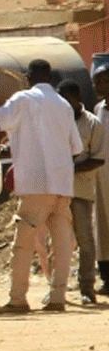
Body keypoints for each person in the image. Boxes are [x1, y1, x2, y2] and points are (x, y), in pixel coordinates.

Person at [0, 61, 82, 313]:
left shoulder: (22, 99)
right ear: (49, 76)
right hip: (62, 183)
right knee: (61, 243)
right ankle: (58, 297)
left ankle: (18, 298)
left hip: (35, 183)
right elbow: (76, 148)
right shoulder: (63, 105)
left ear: (28, 77)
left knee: (24, 242)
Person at [60, 81, 106, 304]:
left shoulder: (93, 123)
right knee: (57, 240)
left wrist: (69, 168)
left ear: (77, 97)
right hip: (57, 189)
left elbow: (97, 158)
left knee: (86, 239)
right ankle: (57, 286)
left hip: (81, 188)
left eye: (68, 99)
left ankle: (87, 287)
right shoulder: (56, 121)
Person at [94, 67, 109, 294]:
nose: (98, 87)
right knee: (102, 225)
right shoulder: (99, 109)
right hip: (100, 175)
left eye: (103, 82)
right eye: (95, 82)